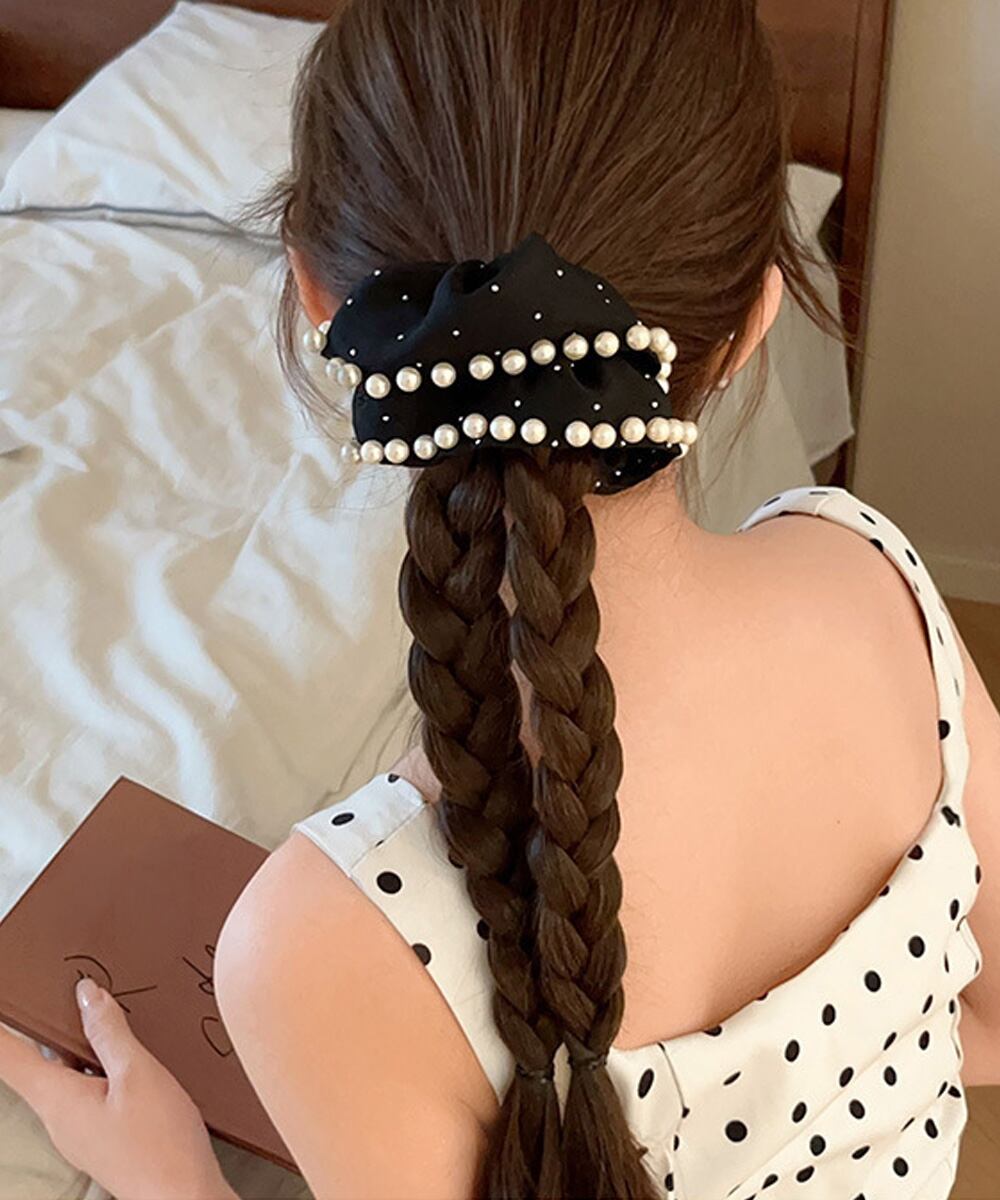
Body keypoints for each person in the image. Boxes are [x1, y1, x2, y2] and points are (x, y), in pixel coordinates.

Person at [1, 1, 998, 1198]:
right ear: (751, 323)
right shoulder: (880, 586)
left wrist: (166, 1171)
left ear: (322, 307)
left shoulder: (315, 948)